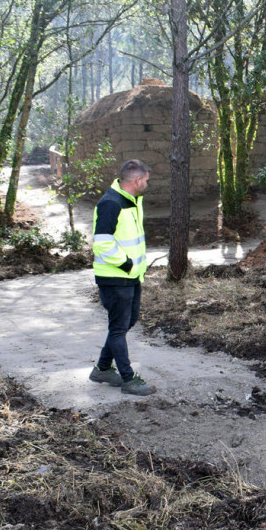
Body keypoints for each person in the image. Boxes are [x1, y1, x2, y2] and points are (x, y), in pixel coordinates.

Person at [88, 159, 156, 396]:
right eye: (146, 180)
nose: (147, 184)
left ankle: (102, 369)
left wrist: (135, 269)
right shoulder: (110, 204)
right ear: (137, 180)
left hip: (130, 276)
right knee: (118, 328)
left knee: (127, 322)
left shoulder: (132, 200)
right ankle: (128, 379)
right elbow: (102, 243)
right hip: (116, 277)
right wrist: (126, 264)